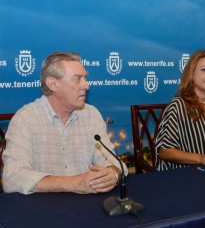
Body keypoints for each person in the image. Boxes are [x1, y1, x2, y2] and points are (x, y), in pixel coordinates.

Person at [2, 52, 126, 194]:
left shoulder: (92, 115)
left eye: (85, 78)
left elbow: (114, 163)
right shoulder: (25, 118)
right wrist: (74, 183)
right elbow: (12, 179)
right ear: (52, 83)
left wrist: (113, 173)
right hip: (43, 210)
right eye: (77, 79)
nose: (86, 85)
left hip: (87, 208)